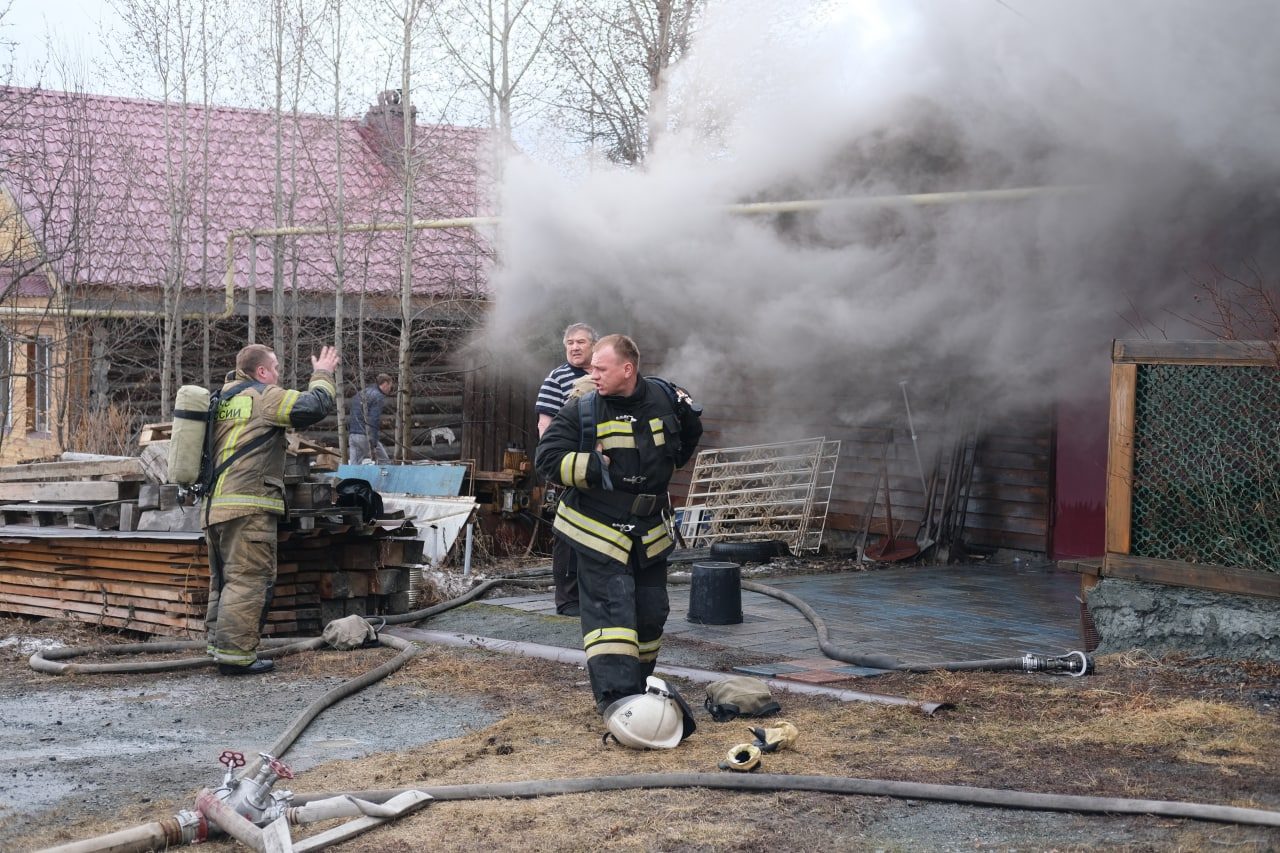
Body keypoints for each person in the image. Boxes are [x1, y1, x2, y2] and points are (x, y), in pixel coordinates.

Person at [535, 334, 702, 714]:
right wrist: (595, 467)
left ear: (628, 369)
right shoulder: (583, 408)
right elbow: (546, 459)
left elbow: (689, 434)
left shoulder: (666, 399)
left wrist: (662, 470)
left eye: (600, 367)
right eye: (591, 366)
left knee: (650, 611)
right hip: (597, 528)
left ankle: (640, 690)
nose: (591, 373)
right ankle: (618, 703)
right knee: (613, 616)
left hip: (650, 531)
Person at [205, 343, 339, 675]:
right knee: (249, 580)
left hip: (215, 507)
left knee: (224, 580)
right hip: (248, 505)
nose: (278, 374)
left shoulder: (221, 399)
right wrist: (323, 373)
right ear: (261, 371)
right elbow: (315, 405)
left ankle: (219, 648)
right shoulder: (263, 396)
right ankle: (235, 659)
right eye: (275, 368)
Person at [535, 323, 598, 616]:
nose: (574, 347)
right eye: (570, 343)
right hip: (571, 464)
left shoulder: (601, 374)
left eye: (581, 342)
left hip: (603, 468)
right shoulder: (557, 378)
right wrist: (555, 465)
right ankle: (569, 600)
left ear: (594, 346)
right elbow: (545, 425)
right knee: (568, 532)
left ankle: (594, 593)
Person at [348, 373, 394, 464]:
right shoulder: (377, 396)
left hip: (353, 435)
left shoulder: (362, 392)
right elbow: (374, 419)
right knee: (385, 463)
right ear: (385, 384)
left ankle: (351, 478)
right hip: (365, 435)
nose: (390, 389)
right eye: (390, 386)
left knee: (354, 466)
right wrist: (374, 442)